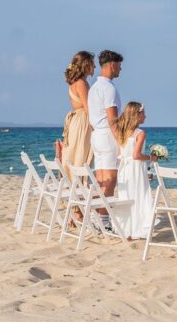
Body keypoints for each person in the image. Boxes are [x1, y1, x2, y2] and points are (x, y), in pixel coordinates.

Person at [88, 50, 123, 229]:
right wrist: (122, 142)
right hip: (107, 135)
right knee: (109, 179)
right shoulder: (109, 88)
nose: (120, 69)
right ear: (111, 65)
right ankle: (103, 220)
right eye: (119, 65)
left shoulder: (94, 88)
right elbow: (113, 120)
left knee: (99, 178)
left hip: (96, 136)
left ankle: (96, 217)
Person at [113, 102, 157, 239]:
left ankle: (127, 230)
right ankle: (137, 229)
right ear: (136, 115)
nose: (145, 115)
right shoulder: (140, 133)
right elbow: (136, 155)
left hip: (124, 169)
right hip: (135, 168)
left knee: (126, 197)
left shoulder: (122, 131)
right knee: (138, 196)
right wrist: (151, 157)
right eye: (143, 113)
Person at [58, 51, 95, 180]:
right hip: (82, 122)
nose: (95, 67)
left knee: (75, 153)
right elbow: (88, 108)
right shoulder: (81, 84)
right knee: (81, 155)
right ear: (86, 65)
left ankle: (72, 186)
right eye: (92, 63)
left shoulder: (74, 83)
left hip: (76, 122)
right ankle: (78, 186)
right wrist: (97, 127)